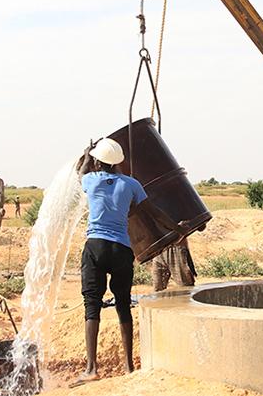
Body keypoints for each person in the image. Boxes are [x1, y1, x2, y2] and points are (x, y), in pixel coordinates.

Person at [74, 138, 186, 386]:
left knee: (91, 304)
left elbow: (79, 170)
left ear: (97, 161)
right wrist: (177, 229)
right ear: (119, 162)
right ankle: (128, 365)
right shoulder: (132, 185)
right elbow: (153, 212)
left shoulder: (90, 180)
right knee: (123, 304)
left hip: (95, 247)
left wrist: (86, 154)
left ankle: (91, 369)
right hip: (121, 249)